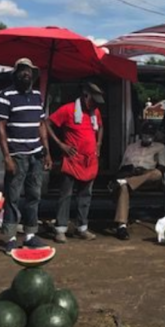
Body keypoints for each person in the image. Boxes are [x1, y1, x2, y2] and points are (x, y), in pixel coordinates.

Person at [0, 58, 53, 253]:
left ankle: (30, 236)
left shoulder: (37, 96)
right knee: (12, 196)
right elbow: (0, 127)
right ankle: (10, 238)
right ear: (16, 73)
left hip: (36, 154)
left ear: (32, 75)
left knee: (34, 195)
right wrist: (7, 157)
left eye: (28, 71)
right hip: (16, 155)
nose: (25, 74)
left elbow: (41, 125)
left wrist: (47, 152)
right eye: (21, 70)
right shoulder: (5, 95)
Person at [46, 82, 105, 243]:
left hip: (90, 161)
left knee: (85, 195)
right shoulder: (67, 109)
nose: (95, 105)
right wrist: (60, 145)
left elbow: (100, 127)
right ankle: (60, 229)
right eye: (93, 101)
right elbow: (47, 123)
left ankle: (82, 228)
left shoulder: (95, 112)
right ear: (86, 96)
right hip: (72, 160)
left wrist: (98, 144)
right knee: (66, 195)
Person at [110, 121, 165, 240]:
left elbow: (163, 167)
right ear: (141, 134)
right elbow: (123, 166)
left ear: (155, 135)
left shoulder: (160, 147)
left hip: (149, 175)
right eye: (146, 134)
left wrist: (143, 172)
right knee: (123, 187)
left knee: (157, 173)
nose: (148, 136)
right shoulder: (131, 147)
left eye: (150, 134)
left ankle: (128, 182)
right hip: (131, 173)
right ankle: (121, 226)